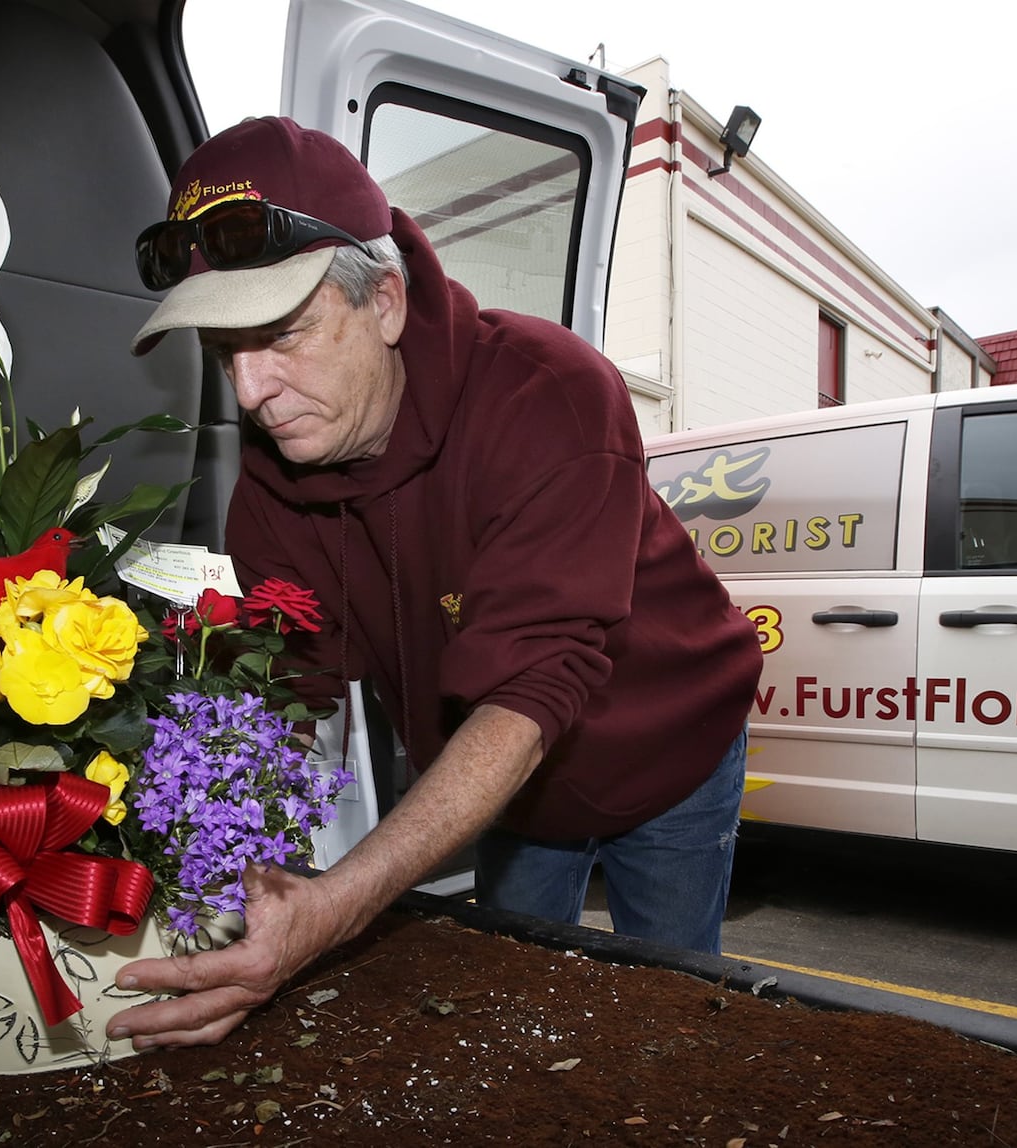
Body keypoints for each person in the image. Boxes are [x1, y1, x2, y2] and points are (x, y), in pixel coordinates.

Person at [112, 116, 763, 1050]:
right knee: (501, 1004)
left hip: (668, 750)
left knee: (659, 1019)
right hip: (506, 786)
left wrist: (337, 906)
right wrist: (245, 867)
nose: (252, 391)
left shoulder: (550, 392)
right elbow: (296, 692)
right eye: (225, 353)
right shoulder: (273, 482)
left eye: (285, 335)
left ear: (384, 301)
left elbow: (532, 686)